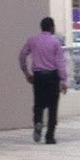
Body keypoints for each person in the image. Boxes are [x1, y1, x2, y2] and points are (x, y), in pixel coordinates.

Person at [19, 16, 69, 144]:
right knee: (53, 107)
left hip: (38, 76)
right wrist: (63, 81)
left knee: (38, 104)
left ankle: (38, 122)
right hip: (52, 76)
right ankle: (50, 136)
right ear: (52, 27)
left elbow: (22, 55)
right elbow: (60, 63)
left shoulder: (32, 40)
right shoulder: (55, 42)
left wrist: (26, 73)